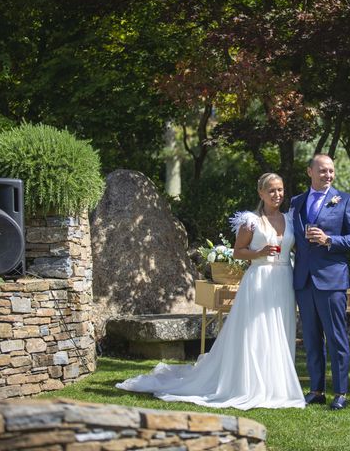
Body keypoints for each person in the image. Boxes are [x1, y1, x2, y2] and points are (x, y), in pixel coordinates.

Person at [116, 173, 305, 410]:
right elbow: (238, 252)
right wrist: (259, 252)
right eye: (272, 190)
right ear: (261, 193)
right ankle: (250, 385)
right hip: (259, 280)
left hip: (283, 280)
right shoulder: (251, 221)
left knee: (280, 328)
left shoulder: (290, 220)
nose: (277, 194)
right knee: (256, 331)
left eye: (280, 189)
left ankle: (278, 385)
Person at [290, 154, 350, 410]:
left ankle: (341, 392)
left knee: (336, 338)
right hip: (303, 280)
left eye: (331, 171)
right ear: (309, 171)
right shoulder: (296, 202)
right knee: (311, 338)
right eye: (323, 171)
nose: (328, 175)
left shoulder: (345, 201)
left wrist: (329, 240)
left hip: (331, 280)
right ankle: (316, 389)